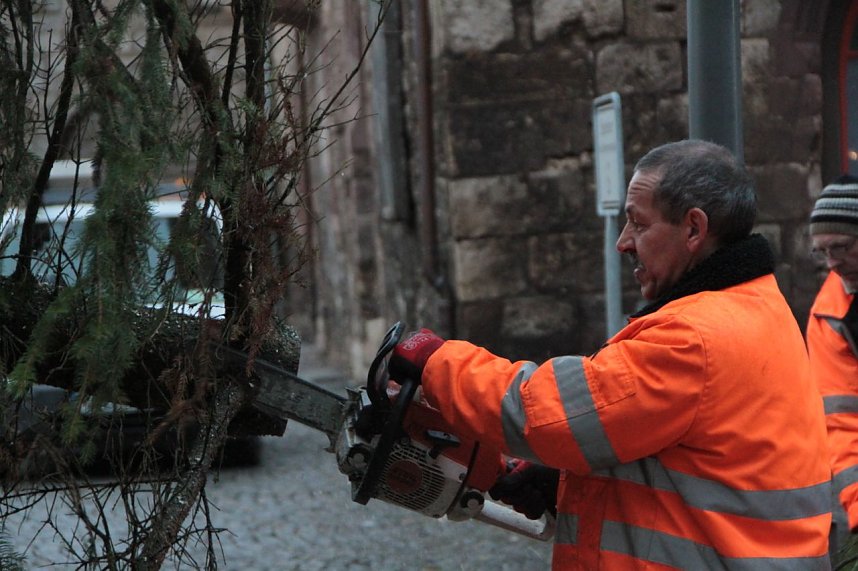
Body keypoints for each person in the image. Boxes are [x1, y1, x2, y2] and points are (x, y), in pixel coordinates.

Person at [390, 140, 832, 569]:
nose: (623, 242)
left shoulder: (691, 338)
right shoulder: (756, 306)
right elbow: (675, 456)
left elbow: (546, 416)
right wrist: (561, 482)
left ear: (694, 229)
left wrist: (433, 360)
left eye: (638, 224)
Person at [806, 174, 858, 563]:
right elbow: (840, 419)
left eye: (841, 247)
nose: (832, 263)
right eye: (823, 252)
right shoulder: (830, 314)